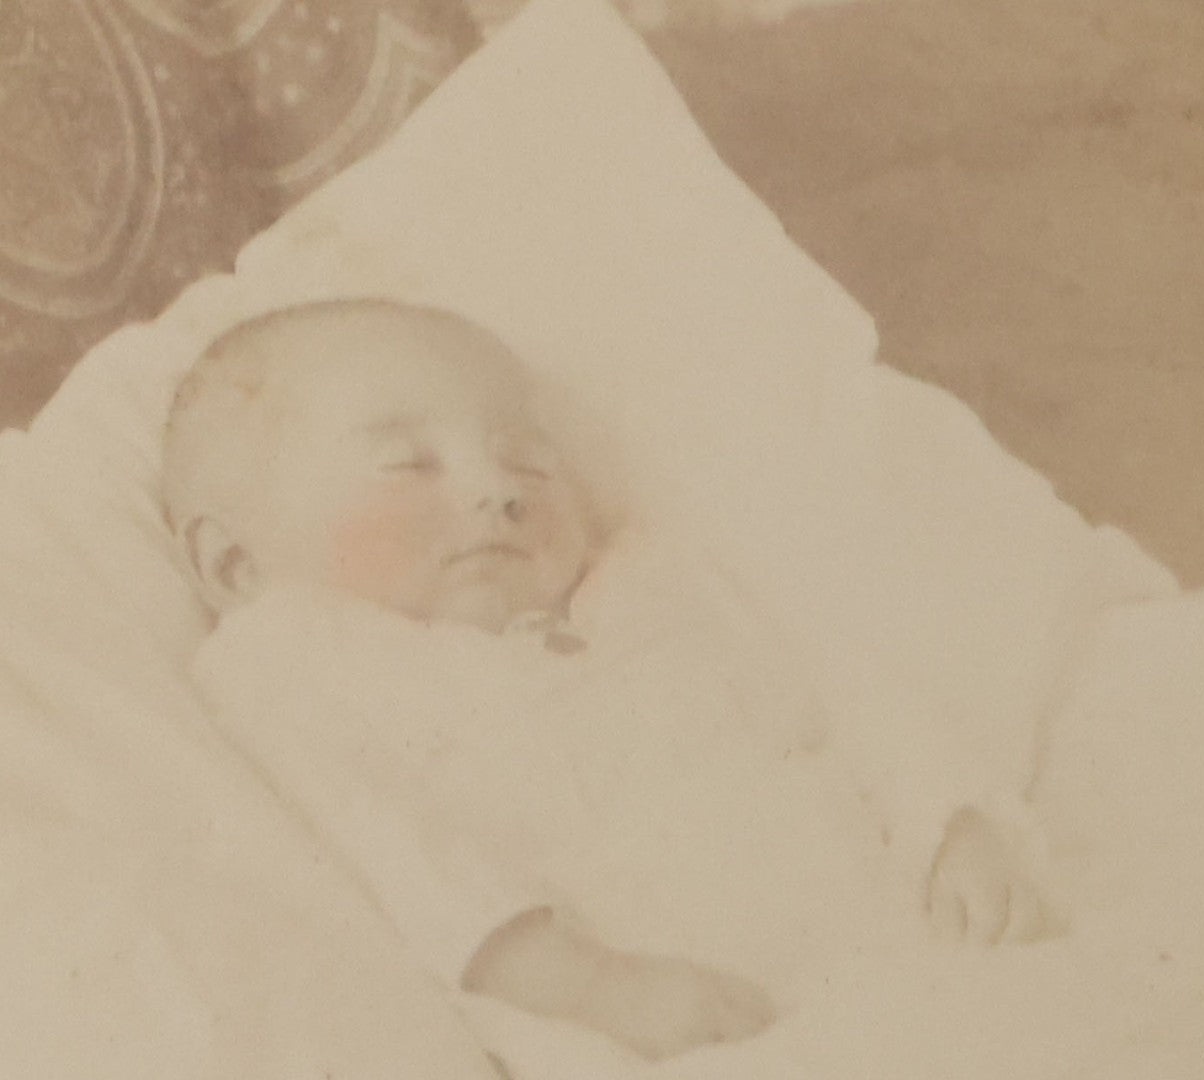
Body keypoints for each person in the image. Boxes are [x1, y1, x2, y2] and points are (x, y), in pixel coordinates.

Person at [164, 298, 1057, 1061]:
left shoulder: (648, 583)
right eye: (408, 464)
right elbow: (399, 857)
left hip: (916, 951)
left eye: (526, 458)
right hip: (655, 1022)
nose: (496, 490)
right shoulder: (294, 664)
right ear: (238, 567)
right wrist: (595, 989)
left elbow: (845, 697)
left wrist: (952, 821)